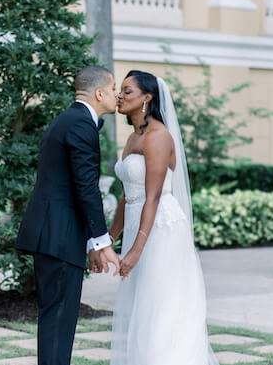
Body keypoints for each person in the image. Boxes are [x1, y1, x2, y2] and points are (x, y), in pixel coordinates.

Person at [109, 70, 219, 365]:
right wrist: (110, 238)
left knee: (159, 304)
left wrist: (135, 249)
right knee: (140, 306)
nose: (119, 95)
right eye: (119, 90)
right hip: (138, 223)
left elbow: (153, 197)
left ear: (148, 98)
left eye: (127, 91)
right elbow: (127, 194)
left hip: (160, 228)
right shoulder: (134, 136)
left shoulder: (157, 136)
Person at [16, 65, 120, 365]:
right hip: (58, 236)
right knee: (59, 320)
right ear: (99, 93)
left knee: (56, 320)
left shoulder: (69, 120)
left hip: (56, 235)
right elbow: (85, 187)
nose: (115, 95)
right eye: (113, 89)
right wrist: (102, 242)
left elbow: (71, 187)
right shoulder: (79, 124)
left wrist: (90, 244)